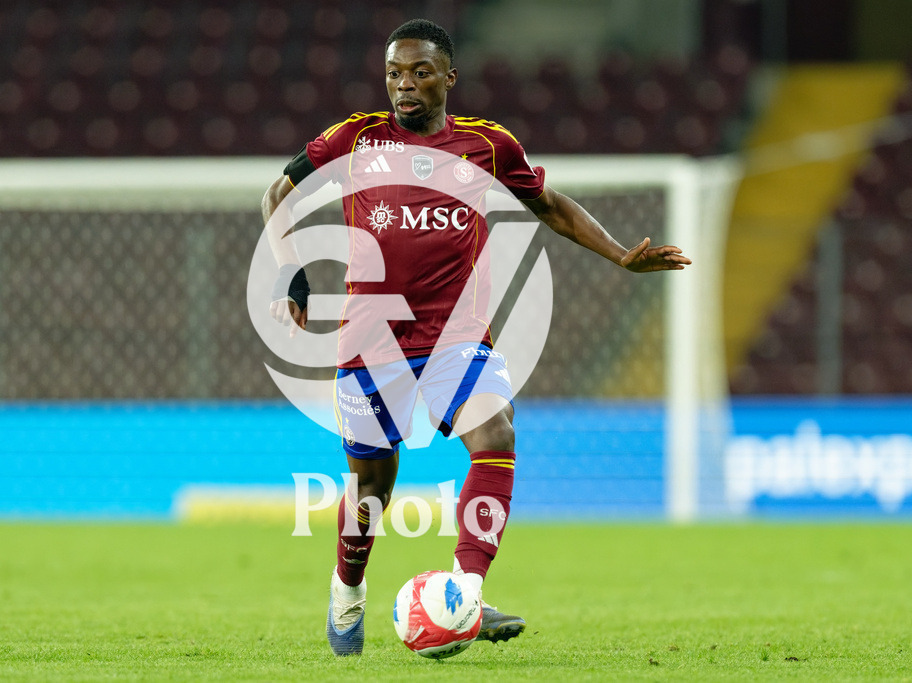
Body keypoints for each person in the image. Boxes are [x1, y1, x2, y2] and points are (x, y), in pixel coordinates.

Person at [260, 18, 691, 657]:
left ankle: (463, 592)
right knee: (372, 490)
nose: (404, 86)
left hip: (455, 339)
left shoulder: (487, 146)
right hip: (369, 345)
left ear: (449, 78)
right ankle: (347, 589)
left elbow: (550, 205)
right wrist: (292, 276)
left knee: (497, 435)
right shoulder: (355, 138)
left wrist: (622, 254)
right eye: (394, 74)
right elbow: (278, 194)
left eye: (419, 72)